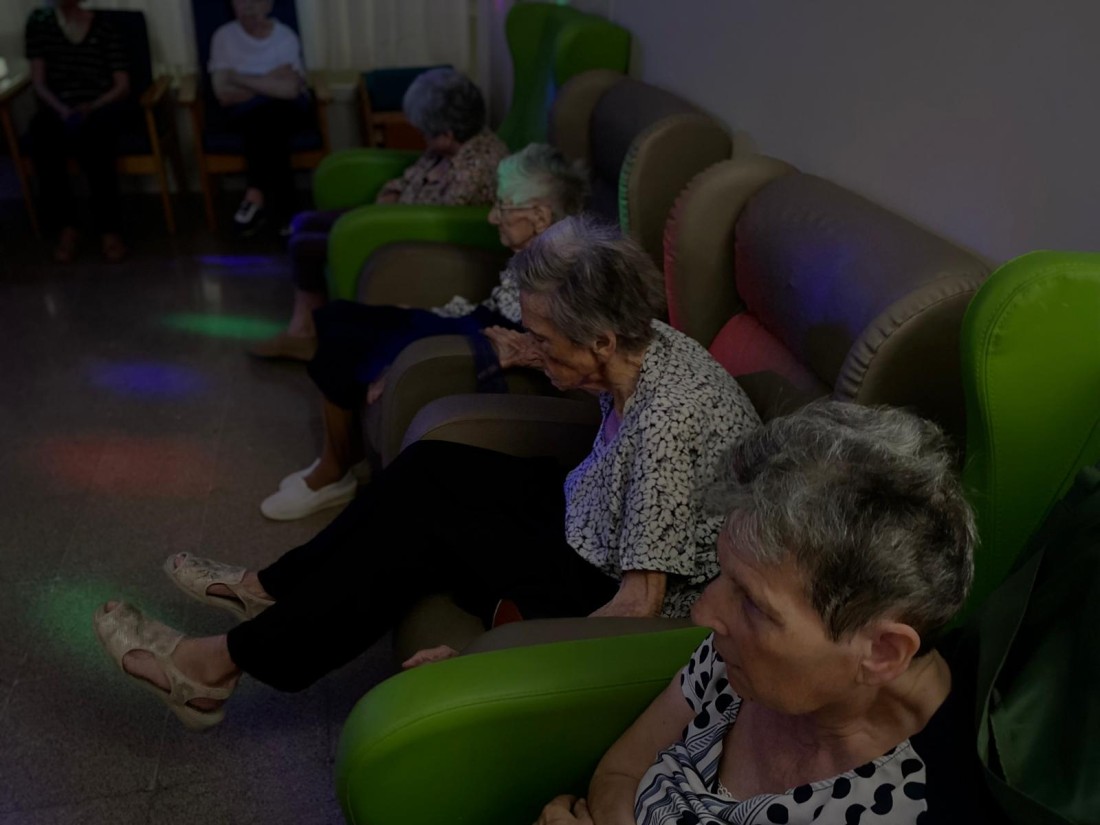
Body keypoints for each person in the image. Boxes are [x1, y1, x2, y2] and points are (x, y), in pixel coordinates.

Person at [91, 217, 761, 730]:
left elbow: (639, 609)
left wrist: (482, 657)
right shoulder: (644, 341)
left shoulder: (668, 424)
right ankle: (270, 588)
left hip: (607, 580)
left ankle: (214, 666)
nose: (538, 347)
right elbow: (592, 383)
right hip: (593, 513)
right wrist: (532, 350)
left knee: (414, 534)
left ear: (601, 340)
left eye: (545, 339)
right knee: (432, 465)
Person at [536, 402, 987, 825]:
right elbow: (620, 771)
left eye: (753, 603)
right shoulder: (740, 658)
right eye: (725, 574)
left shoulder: (913, 806)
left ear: (882, 651)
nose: (703, 612)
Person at [259, 143, 589, 521]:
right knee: (338, 317)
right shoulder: (534, 252)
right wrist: (432, 312)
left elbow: (524, 339)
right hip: (472, 322)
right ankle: (340, 455)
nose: (491, 217)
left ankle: (332, 473)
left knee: (347, 337)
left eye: (503, 206)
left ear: (540, 216)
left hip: (477, 343)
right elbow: (494, 307)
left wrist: (397, 357)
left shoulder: (560, 274)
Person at [248, 66, 509, 360]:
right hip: (391, 215)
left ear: (446, 135)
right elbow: (413, 175)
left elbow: (437, 222)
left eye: (425, 133)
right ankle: (308, 323)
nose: (423, 139)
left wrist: (387, 214)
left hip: (400, 233)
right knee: (304, 222)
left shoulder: (475, 170)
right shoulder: (455, 141)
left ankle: (304, 334)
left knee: (304, 245)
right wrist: (392, 191)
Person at [25, 1, 131, 263]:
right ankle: (67, 228)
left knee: (97, 139)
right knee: (43, 137)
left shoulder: (104, 26)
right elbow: (38, 82)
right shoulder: (39, 24)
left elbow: (122, 85)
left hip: (99, 104)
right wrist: (61, 109)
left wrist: (92, 106)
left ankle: (109, 230)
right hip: (58, 106)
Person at [207, 0, 311, 235]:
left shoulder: (284, 36)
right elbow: (223, 93)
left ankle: (255, 197)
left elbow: (291, 90)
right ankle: (287, 212)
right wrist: (272, 80)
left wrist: (238, 78)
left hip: (288, 110)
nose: (248, 6)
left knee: (269, 117)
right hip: (245, 115)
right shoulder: (224, 37)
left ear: (268, 5)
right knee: (266, 120)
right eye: (240, 0)